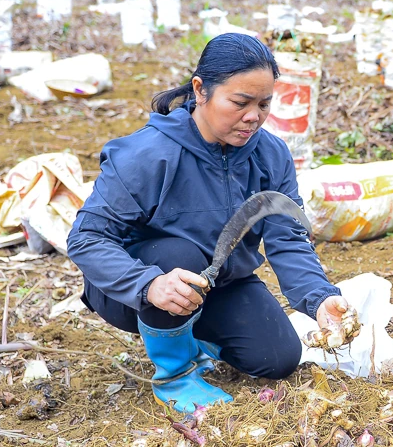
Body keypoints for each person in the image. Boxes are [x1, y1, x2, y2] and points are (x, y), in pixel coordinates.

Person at [67, 34, 351, 412]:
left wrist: (319, 298)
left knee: (278, 357)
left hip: (217, 283)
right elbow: (87, 238)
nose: (254, 116)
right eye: (240, 102)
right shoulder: (147, 156)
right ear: (200, 90)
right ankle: (175, 374)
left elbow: (288, 238)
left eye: (264, 104)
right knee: (179, 253)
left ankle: (191, 334)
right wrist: (147, 284)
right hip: (136, 287)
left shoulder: (271, 155)